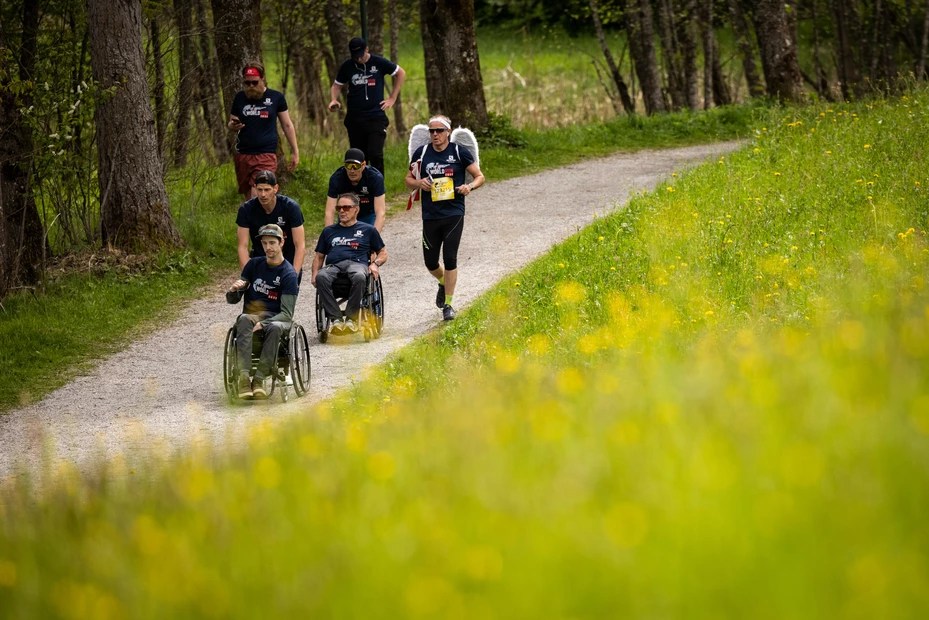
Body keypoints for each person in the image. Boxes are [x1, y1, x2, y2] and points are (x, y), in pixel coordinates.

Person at [404, 115, 485, 321]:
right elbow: (408, 179)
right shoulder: (421, 152)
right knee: (430, 262)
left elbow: (480, 176)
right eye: (432, 131)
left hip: (453, 212)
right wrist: (418, 183)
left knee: (450, 258)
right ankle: (442, 282)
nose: (435, 135)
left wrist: (469, 186)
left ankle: (448, 305)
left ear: (448, 132)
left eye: (439, 131)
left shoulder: (458, 152)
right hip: (430, 215)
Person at [225, 224, 299, 400]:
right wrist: (234, 291)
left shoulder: (288, 274)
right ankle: (244, 378)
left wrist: (264, 323)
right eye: (265, 243)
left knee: (273, 328)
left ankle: (258, 380)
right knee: (243, 319)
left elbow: (287, 314)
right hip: (252, 316)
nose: (268, 247)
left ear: (282, 242)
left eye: (272, 242)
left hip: (277, 318)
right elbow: (232, 300)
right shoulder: (253, 265)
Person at [327, 37, 406, 177]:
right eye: (355, 57)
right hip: (355, 119)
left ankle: (378, 189)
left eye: (361, 55)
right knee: (358, 158)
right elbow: (336, 85)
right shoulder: (347, 66)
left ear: (367, 50)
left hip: (375, 117)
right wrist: (334, 100)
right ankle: (361, 190)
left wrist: (392, 98)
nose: (359, 59)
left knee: (375, 154)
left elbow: (401, 73)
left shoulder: (379, 62)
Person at [311, 193, 388, 334]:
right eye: (339, 208)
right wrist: (315, 273)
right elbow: (319, 256)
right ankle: (336, 320)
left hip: (357, 264)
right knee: (321, 277)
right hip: (334, 266)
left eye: (346, 208)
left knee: (359, 276)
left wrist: (375, 264)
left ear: (356, 209)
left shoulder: (368, 230)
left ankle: (352, 319)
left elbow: (383, 252)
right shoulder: (328, 231)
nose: (341, 211)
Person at [228, 61, 299, 199]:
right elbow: (231, 122)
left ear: (263, 80)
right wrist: (232, 126)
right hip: (243, 154)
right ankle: (260, 220)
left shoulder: (275, 97)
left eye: (254, 83)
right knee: (249, 198)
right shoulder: (239, 98)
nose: (251, 87)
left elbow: (287, 125)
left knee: (259, 193)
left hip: (265, 154)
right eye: (247, 83)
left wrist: (295, 151)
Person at [237, 170, 306, 278]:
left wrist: (293, 275)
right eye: (259, 190)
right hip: (260, 261)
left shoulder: (291, 207)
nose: (263, 194)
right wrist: (247, 275)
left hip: (287, 261)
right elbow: (242, 246)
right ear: (254, 188)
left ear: (275, 188)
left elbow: (300, 245)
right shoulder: (246, 210)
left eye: (267, 190)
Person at [325, 148, 386, 231]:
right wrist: (328, 237)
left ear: (363, 165)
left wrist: (374, 238)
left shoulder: (375, 178)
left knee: (367, 240)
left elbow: (380, 212)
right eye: (348, 166)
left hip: (368, 214)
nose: (352, 170)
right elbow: (329, 212)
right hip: (346, 212)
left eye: (356, 166)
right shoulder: (337, 178)